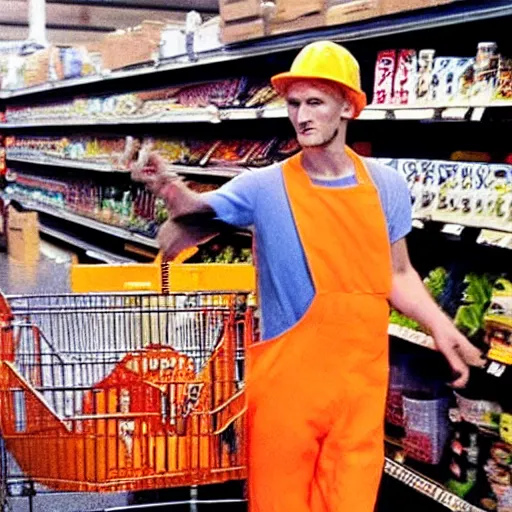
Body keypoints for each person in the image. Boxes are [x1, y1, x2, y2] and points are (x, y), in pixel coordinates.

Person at [132, 41, 485, 512]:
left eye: (314, 102)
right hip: (287, 391)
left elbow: (397, 272)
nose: (301, 116)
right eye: (293, 103)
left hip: (358, 389)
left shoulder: (386, 186)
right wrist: (170, 188)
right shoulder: (264, 185)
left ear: (346, 106)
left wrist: (443, 329)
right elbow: (197, 210)